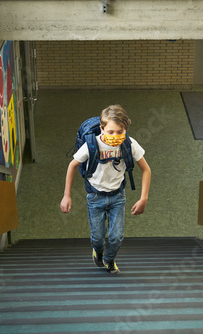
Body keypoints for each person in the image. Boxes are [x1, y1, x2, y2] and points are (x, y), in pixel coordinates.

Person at [60, 105, 151, 274]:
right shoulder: (92, 145)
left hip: (118, 197)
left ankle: (109, 260)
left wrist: (143, 198)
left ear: (125, 129)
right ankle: (98, 250)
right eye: (110, 132)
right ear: (102, 129)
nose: (115, 136)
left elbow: (146, 169)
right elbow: (72, 165)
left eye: (119, 131)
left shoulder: (130, 144)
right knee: (98, 237)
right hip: (95, 197)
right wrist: (67, 196)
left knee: (116, 237)